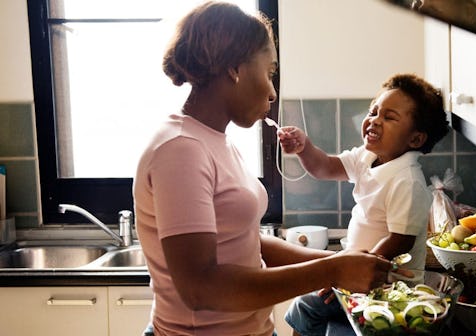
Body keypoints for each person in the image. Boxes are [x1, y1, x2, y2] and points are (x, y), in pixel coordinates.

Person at [133, 2, 393, 335]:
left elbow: (244, 241)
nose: (272, 90)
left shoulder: (216, 141)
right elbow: (200, 287)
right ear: (233, 67)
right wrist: (333, 270)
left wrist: (338, 263)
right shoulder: (180, 149)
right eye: (269, 72)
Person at [278, 73, 450, 336]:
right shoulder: (367, 156)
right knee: (305, 305)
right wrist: (305, 147)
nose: (374, 121)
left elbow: (399, 241)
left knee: (310, 307)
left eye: (389, 117)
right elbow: (325, 167)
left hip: (388, 289)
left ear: (415, 139)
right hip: (354, 276)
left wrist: (350, 272)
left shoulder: (407, 181)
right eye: (374, 111)